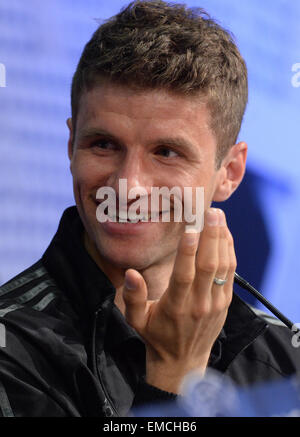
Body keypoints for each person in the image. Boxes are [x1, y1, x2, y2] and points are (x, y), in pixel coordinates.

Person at [0, 0, 299, 418]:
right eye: (104, 144)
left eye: (166, 152)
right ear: (71, 146)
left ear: (229, 172)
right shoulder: (10, 352)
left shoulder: (286, 360)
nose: (128, 186)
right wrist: (175, 379)